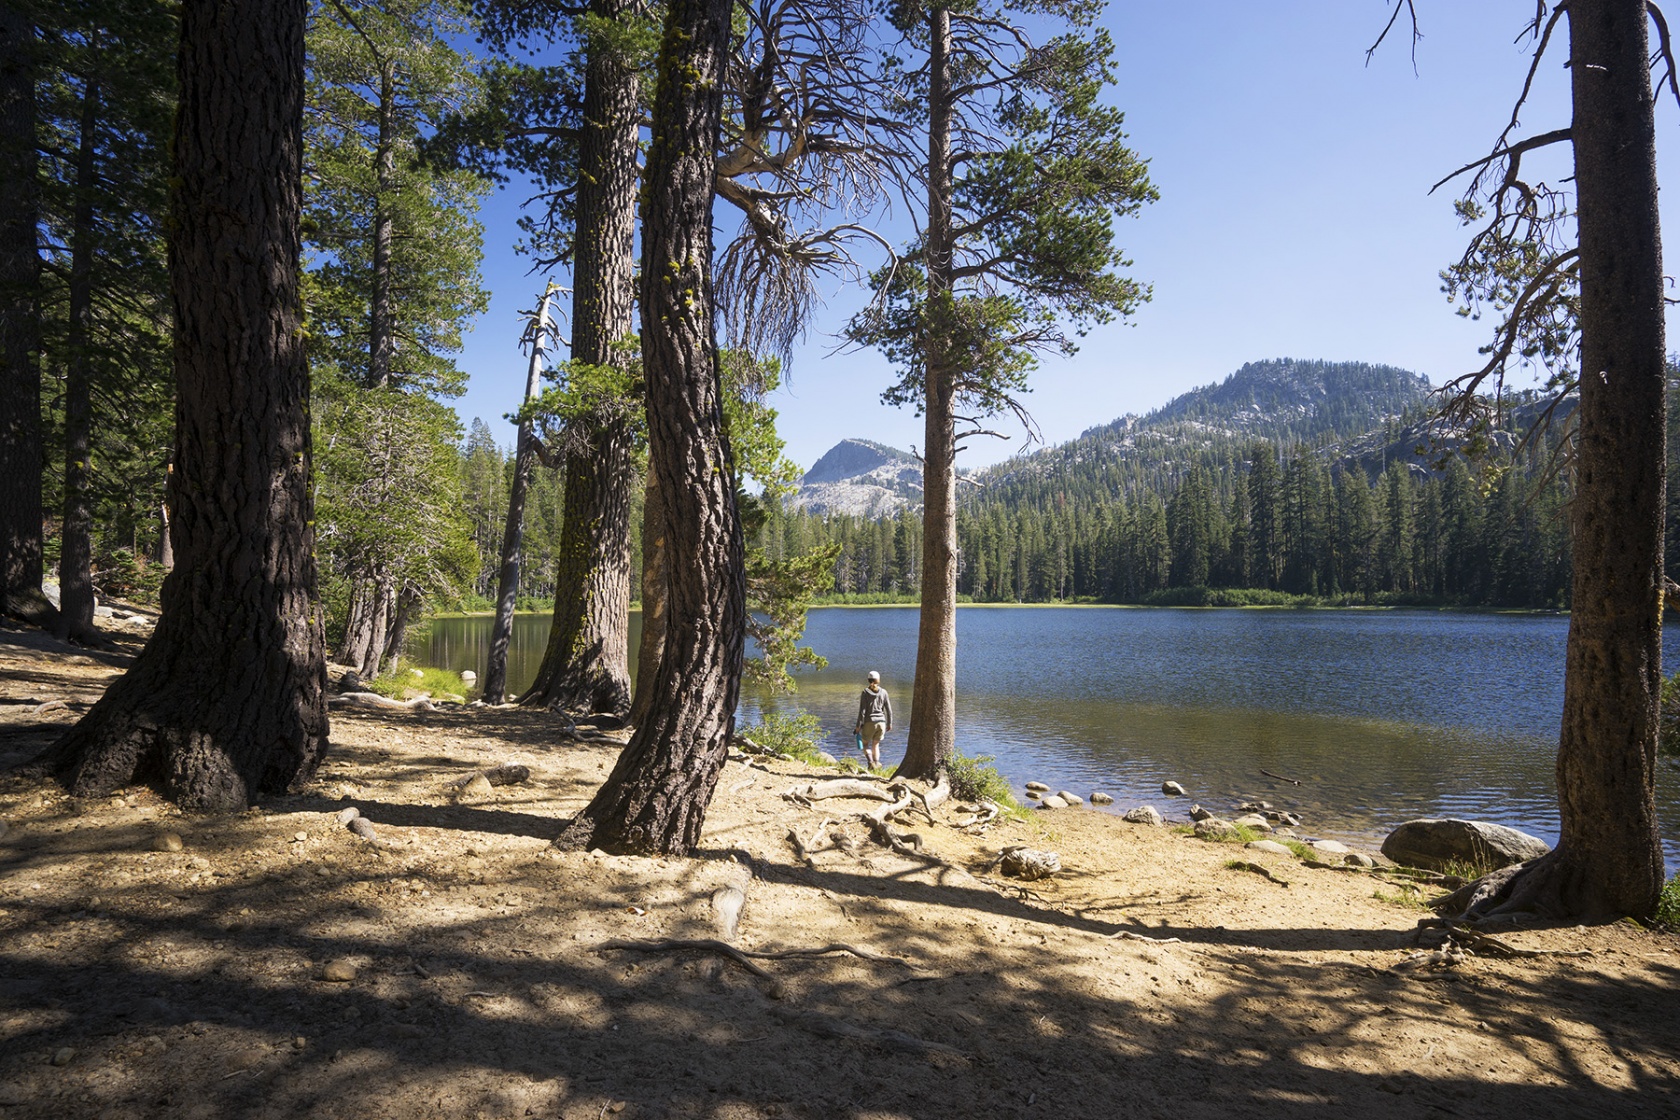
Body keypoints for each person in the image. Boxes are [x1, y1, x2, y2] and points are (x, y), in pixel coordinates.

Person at [854, 670, 892, 769]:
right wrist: (890, 723)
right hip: (882, 723)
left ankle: (871, 763)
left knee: (865, 744)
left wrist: (858, 726)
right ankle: (876, 763)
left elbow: (862, 712)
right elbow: (889, 710)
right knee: (876, 744)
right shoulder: (884, 692)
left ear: (868, 680)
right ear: (878, 680)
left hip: (869, 722)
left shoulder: (865, 692)